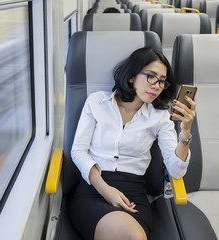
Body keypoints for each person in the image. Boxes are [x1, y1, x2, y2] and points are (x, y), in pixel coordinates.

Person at [69, 48, 196, 240]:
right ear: (131, 77)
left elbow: (176, 170)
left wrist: (185, 131)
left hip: (133, 195)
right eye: (151, 77)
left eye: (162, 80)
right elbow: (78, 151)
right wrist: (106, 191)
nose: (157, 85)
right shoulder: (97, 102)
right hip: (93, 189)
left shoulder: (160, 117)